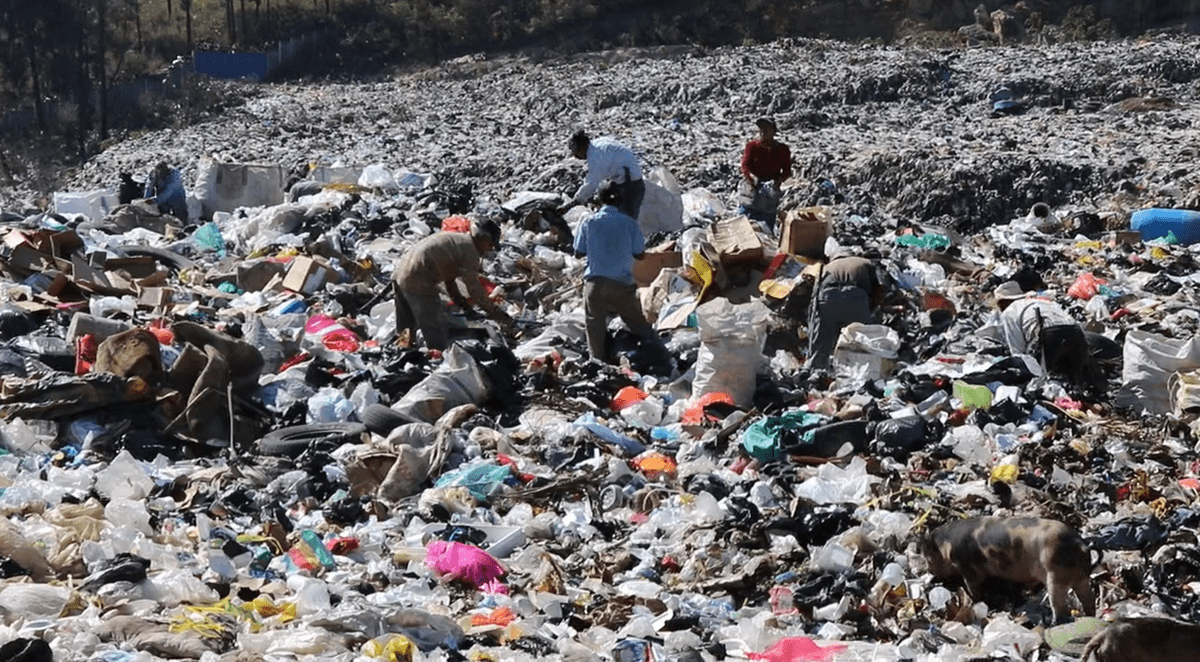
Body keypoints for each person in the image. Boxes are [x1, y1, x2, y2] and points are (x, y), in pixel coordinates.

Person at [574, 180, 667, 365]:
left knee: (595, 326)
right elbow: (640, 255)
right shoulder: (629, 223)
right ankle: (662, 356)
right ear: (620, 201)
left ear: (598, 200)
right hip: (622, 285)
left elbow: (578, 252)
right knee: (639, 325)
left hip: (595, 284)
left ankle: (597, 364)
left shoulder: (589, 222)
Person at [392, 219, 512, 351]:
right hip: (418, 276)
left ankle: (407, 348)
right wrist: (495, 311)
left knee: (409, 320)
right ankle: (437, 357)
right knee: (434, 324)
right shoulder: (470, 251)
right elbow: (474, 289)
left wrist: (465, 307)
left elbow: (450, 283)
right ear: (483, 238)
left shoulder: (458, 241)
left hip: (401, 272)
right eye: (491, 244)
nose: (490, 249)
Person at [987, 281, 1099, 388]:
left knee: (1047, 379)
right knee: (1075, 376)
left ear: (1003, 303)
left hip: (1049, 333)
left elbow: (1018, 351)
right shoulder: (1042, 301)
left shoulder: (1009, 312)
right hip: (1074, 330)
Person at [805, 255, 885, 370]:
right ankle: (861, 372)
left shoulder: (827, 267)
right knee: (861, 338)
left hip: (827, 297)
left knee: (822, 340)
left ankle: (815, 372)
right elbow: (880, 289)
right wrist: (873, 310)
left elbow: (815, 302)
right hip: (855, 296)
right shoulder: (867, 263)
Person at [568, 130, 645, 219]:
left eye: (576, 150)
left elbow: (591, 184)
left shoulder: (596, 157)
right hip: (625, 180)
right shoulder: (598, 143)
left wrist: (576, 201)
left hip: (630, 187)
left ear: (582, 144)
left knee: (626, 221)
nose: (576, 155)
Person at [739, 117, 792, 231]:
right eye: (761, 128)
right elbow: (745, 165)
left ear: (773, 132)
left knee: (767, 218)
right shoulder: (752, 146)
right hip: (754, 184)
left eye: (767, 129)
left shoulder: (782, 149)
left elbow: (787, 171)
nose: (763, 131)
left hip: (770, 186)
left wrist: (779, 180)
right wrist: (751, 177)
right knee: (746, 214)